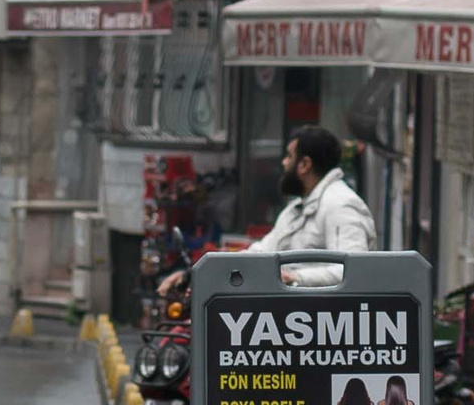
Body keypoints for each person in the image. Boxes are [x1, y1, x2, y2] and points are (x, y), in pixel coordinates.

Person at [159, 127, 374, 298]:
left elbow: (354, 272)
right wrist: (196, 275)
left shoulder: (341, 205)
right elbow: (259, 254)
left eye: (289, 156)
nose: (284, 163)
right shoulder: (296, 209)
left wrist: (294, 277)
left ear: (304, 164)